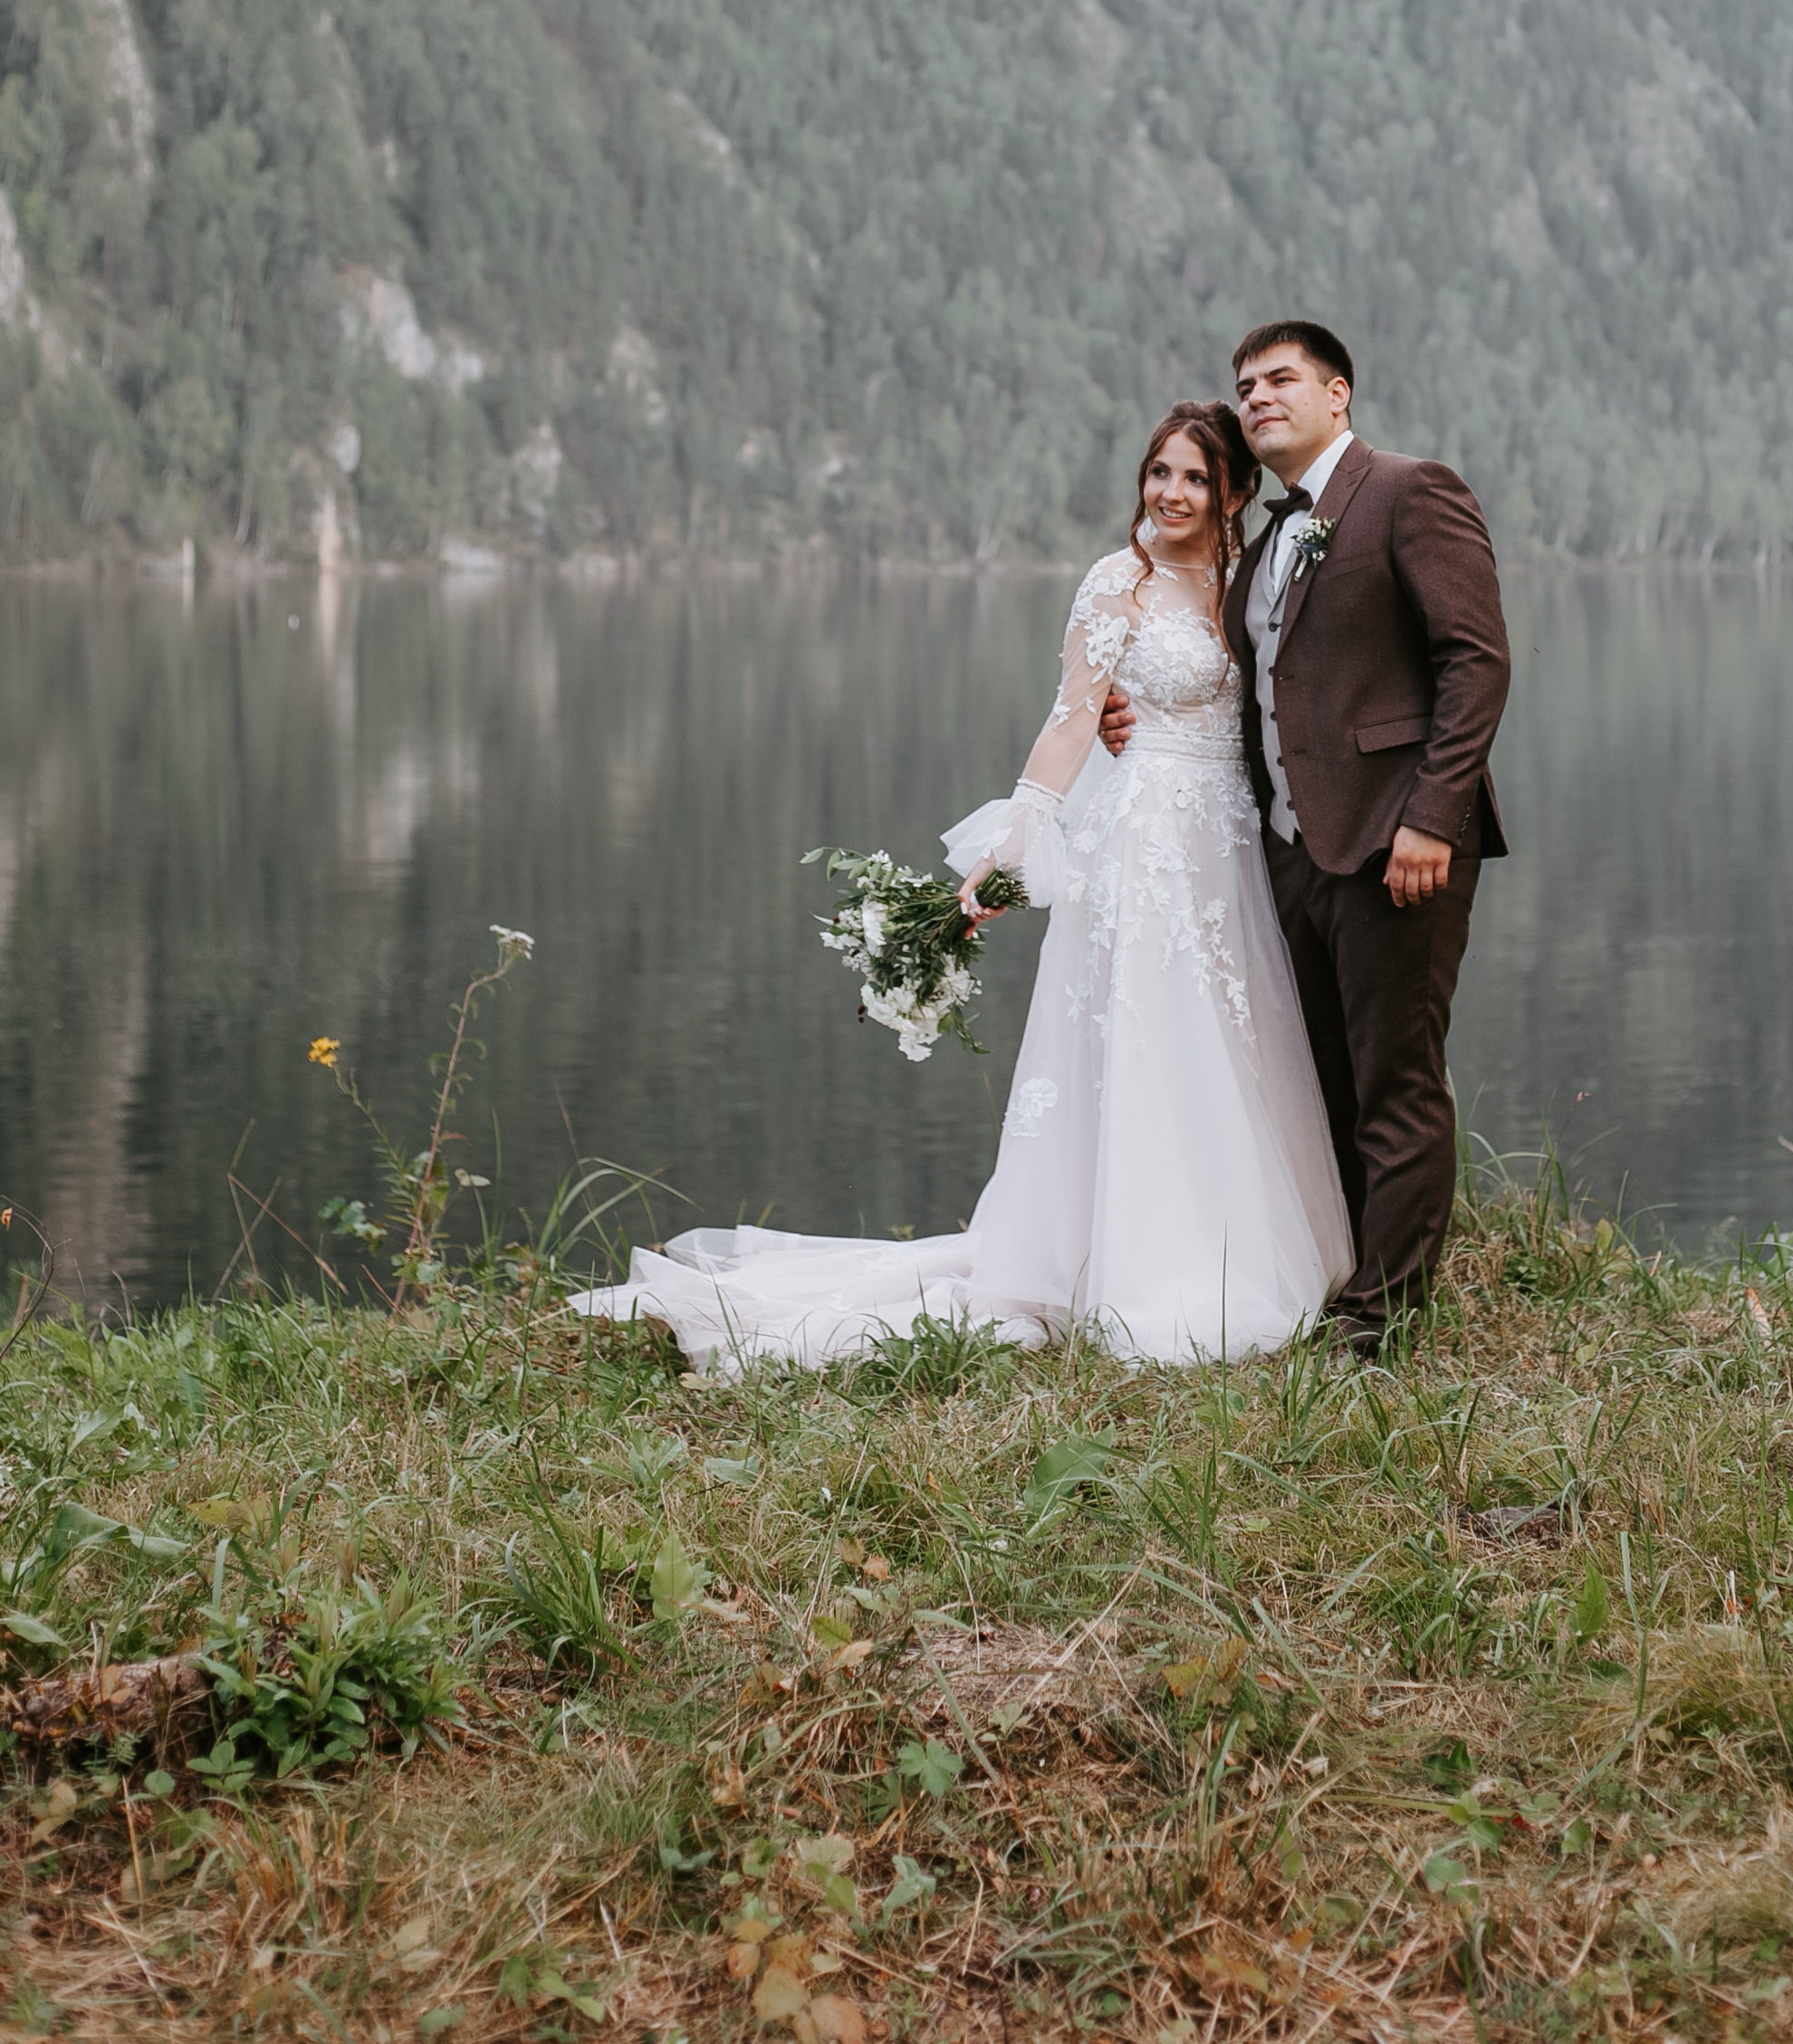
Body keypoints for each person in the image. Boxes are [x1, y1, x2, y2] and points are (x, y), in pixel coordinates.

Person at [570, 402, 1351, 1370]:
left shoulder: (1247, 581)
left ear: (1232, 490)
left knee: (1229, 1040)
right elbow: (1071, 722)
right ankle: (1139, 1269)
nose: (1172, 493)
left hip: (1228, 843)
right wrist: (1007, 852)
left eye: (1194, 477)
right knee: (1148, 1040)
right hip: (1144, 842)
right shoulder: (1118, 584)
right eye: (1159, 472)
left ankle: (1242, 1241)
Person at [1101, 323, 1510, 1352]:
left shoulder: (1410, 491)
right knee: (1323, 1082)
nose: (1259, 396)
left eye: (1281, 378)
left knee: (1396, 1083)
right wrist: (1130, 719)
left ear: (1338, 392)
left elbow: (1476, 664)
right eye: (1246, 385)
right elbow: (1254, 689)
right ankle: (1344, 1276)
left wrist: (1431, 819)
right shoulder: (1268, 541)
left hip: (1397, 849)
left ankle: (1385, 1318)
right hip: (1291, 855)